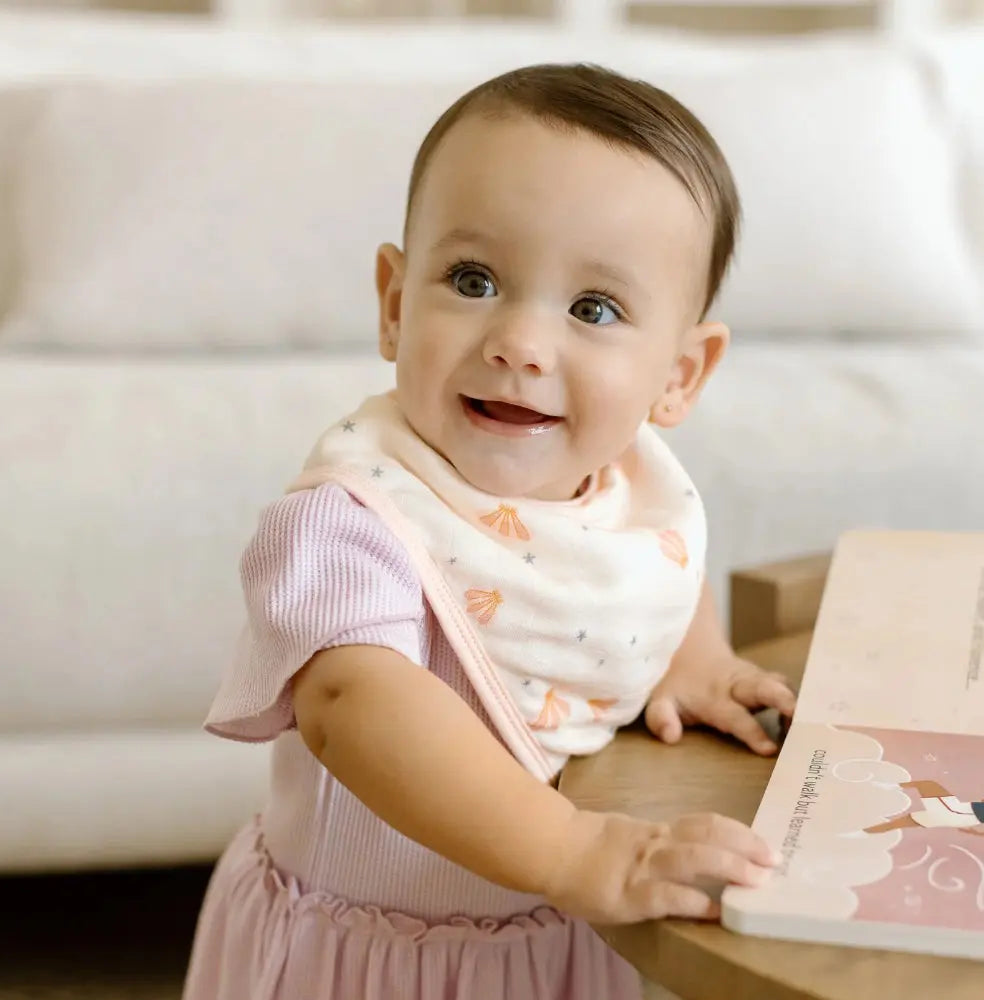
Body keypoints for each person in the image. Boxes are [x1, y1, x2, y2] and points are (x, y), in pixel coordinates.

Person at [183, 62, 797, 1000]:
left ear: (679, 375)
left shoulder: (632, 490)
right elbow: (354, 706)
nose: (520, 342)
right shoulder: (353, 519)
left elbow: (655, 572)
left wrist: (694, 659)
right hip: (372, 957)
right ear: (396, 304)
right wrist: (571, 848)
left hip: (565, 937)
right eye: (473, 280)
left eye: (593, 309)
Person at [865, 780, 984, 836]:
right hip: (961, 816)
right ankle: (862, 833)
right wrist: (975, 833)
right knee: (898, 823)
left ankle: (891, 786)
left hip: (956, 812)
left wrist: (975, 833)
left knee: (928, 785)